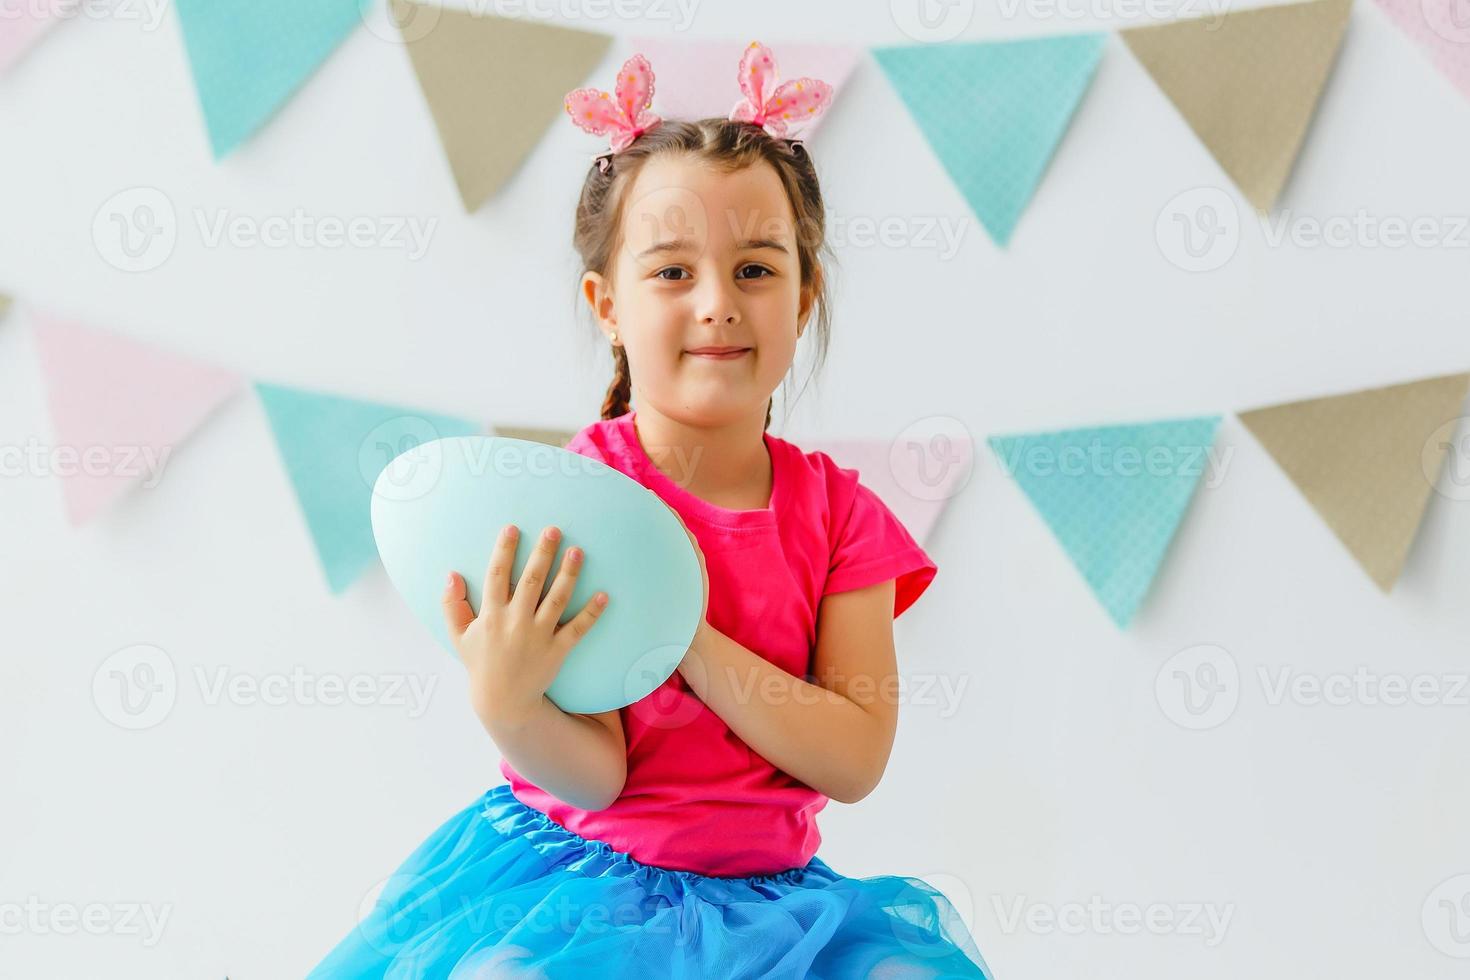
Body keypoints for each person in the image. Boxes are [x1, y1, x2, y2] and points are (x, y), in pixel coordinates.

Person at [309, 42, 992, 979]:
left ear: (804, 297)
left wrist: (685, 639)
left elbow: (855, 756)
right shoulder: (573, 499)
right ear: (608, 304)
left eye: (756, 269)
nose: (718, 303)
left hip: (777, 909)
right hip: (589, 887)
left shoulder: (839, 515)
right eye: (672, 273)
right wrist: (509, 707)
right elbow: (600, 773)